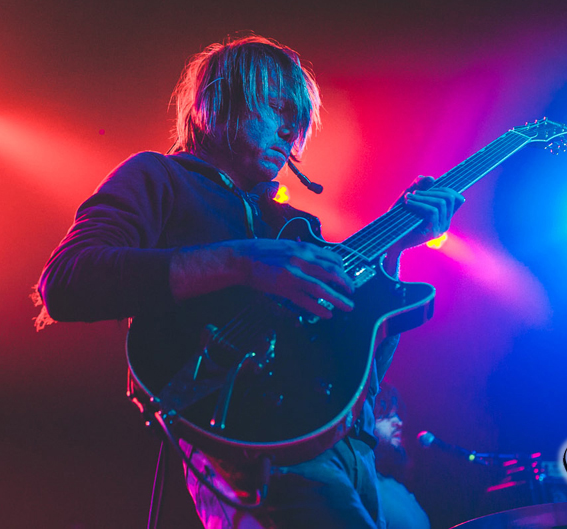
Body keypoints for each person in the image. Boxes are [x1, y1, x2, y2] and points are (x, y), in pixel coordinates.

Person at [37, 34, 464, 528]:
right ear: (216, 102)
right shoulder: (157, 177)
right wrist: (242, 260)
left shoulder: (297, 229)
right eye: (276, 108)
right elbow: (67, 281)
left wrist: (392, 251)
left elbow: (362, 366)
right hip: (254, 446)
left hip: (350, 449)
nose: (290, 131)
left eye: (297, 120)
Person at [373, 386, 431, 529]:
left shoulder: (393, 482)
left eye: (396, 415)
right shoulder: (366, 484)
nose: (399, 422)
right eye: (387, 416)